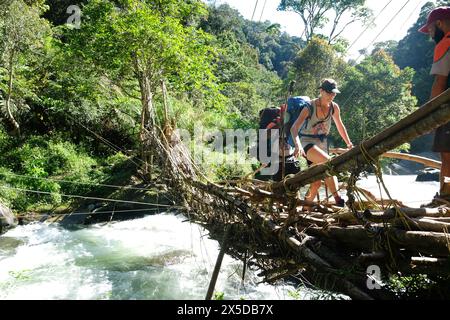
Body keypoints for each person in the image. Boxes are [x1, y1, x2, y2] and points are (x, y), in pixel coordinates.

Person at [290, 79, 353, 209]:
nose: (332, 95)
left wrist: (349, 144)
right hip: (307, 143)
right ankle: (338, 200)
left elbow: (340, 126)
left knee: (316, 182)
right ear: (321, 91)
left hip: (322, 144)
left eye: (334, 93)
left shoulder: (334, 107)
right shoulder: (309, 106)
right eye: (330, 93)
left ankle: (305, 209)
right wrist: (298, 145)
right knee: (329, 162)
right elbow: (294, 128)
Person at [419, 7, 450, 198]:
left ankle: (445, 201)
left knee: (447, 157)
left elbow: (439, 81)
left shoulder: (445, 43)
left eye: (430, 29)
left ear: (439, 24)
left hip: (448, 111)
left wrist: (431, 116)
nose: (430, 34)